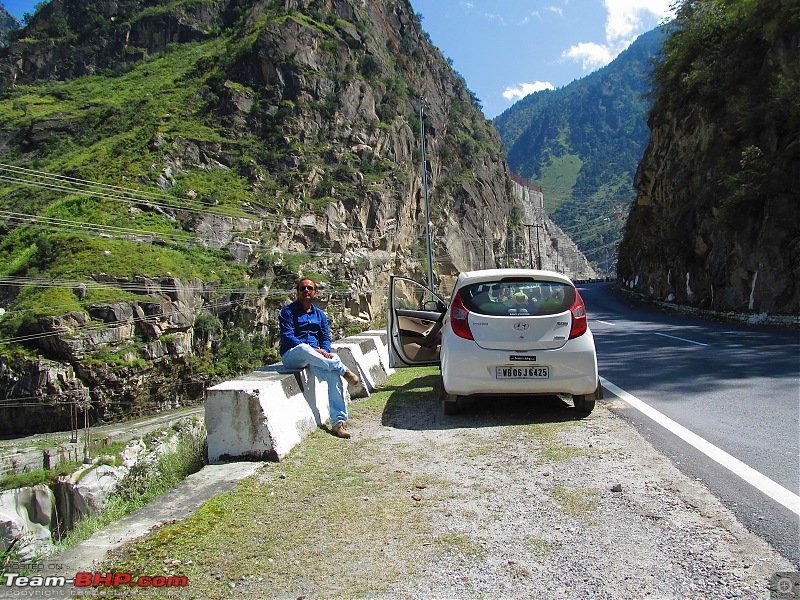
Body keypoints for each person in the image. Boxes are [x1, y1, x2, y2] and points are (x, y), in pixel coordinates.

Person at [279, 278, 360, 439]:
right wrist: (314, 350)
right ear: (297, 292)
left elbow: (325, 338)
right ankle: (343, 369)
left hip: (314, 358)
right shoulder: (287, 312)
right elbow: (288, 337)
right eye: (302, 288)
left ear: (315, 293)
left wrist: (325, 351)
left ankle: (338, 423)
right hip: (293, 356)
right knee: (304, 348)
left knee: (332, 376)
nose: (306, 291)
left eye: (310, 288)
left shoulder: (320, 315)